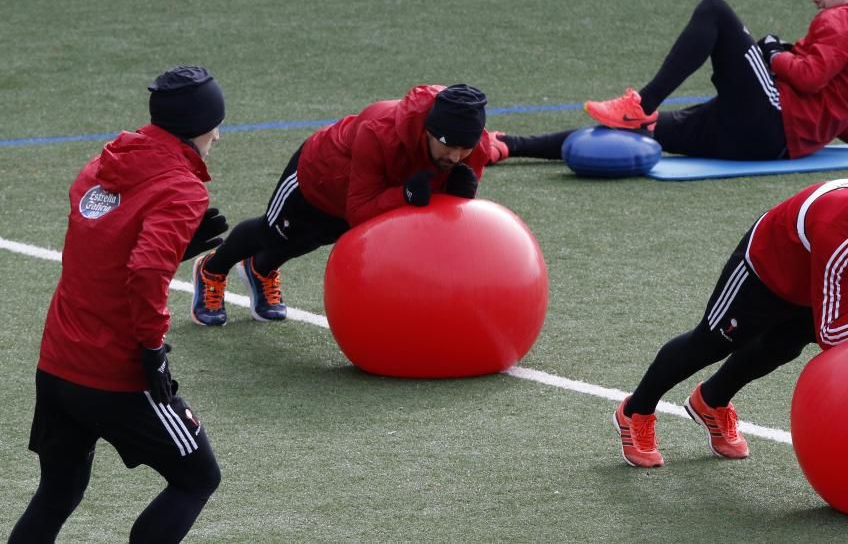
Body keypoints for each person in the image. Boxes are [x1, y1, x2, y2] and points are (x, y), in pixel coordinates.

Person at [9, 66, 228, 543]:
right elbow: (146, 273)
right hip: (115, 375)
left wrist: (172, 249)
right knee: (197, 478)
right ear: (202, 126)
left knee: (58, 491)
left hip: (58, 364)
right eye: (216, 123)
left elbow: (99, 244)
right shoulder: (182, 188)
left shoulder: (100, 165)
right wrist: (152, 348)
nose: (218, 135)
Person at [612, 177, 848, 468]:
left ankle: (711, 401)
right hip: (769, 267)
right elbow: (832, 333)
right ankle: (635, 410)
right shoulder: (843, 226)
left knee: (783, 346)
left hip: (836, 277)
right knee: (713, 341)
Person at [486, 0, 848, 165]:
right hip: (765, 144)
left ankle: (641, 102)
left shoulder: (844, 18)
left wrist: (776, 53)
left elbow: (812, 77)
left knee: (715, 10)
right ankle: (509, 145)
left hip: (771, 121)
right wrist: (824, 122)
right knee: (640, 133)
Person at [190, 83, 490, 326]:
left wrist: (460, 197)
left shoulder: (475, 146)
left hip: (369, 194)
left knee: (313, 240)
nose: (454, 157)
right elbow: (359, 210)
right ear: (427, 130)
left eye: (464, 149)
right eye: (448, 146)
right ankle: (213, 268)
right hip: (318, 177)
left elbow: (447, 214)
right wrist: (406, 195)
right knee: (274, 233)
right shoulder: (379, 128)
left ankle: (260, 269)